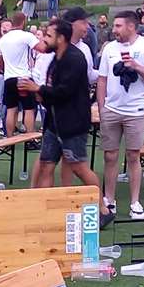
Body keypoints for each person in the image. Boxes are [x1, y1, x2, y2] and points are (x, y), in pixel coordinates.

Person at [97, 10, 144, 218]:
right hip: (111, 110)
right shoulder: (109, 48)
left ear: (131, 27)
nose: (114, 29)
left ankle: (135, 203)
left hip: (135, 110)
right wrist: (102, 108)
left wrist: (136, 66)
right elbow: (102, 79)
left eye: (118, 26)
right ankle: (109, 199)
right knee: (110, 155)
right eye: (114, 26)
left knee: (134, 156)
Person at [27, 17, 103, 200]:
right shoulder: (55, 59)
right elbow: (53, 91)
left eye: (48, 35)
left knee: (79, 167)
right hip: (54, 123)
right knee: (46, 165)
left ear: (60, 38)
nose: (44, 39)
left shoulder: (75, 59)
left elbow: (65, 92)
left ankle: (102, 207)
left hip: (73, 124)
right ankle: (46, 211)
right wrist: (40, 95)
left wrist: (38, 89)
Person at [0, 20, 39, 138]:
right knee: (29, 109)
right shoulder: (26, 36)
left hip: (9, 78)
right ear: (23, 22)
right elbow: (41, 48)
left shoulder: (3, 40)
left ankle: (9, 137)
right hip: (23, 77)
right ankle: (31, 138)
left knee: (11, 109)